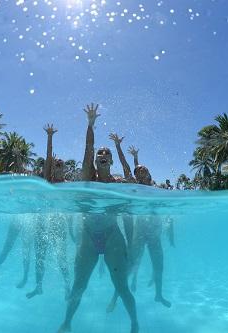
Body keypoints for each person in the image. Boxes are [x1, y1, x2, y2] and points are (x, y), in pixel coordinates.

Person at [57, 104, 139, 333]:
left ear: (111, 161)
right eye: (99, 154)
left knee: (121, 287)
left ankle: (134, 323)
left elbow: (129, 217)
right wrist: (90, 125)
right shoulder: (86, 176)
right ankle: (67, 323)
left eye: (106, 154)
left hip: (113, 236)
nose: (102, 156)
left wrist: (131, 245)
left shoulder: (119, 185)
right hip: (88, 236)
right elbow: (88, 148)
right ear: (95, 160)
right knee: (78, 286)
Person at [107, 164, 173, 312]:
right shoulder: (135, 189)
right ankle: (115, 297)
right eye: (138, 170)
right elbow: (127, 169)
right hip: (141, 231)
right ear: (136, 176)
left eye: (143, 168)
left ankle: (159, 295)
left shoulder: (158, 187)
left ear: (149, 171)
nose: (141, 170)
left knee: (159, 265)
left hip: (155, 233)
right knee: (130, 266)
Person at [26, 124, 71, 299]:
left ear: (65, 168)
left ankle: (68, 287)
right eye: (56, 163)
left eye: (61, 164)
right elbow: (47, 158)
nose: (58, 165)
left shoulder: (68, 185)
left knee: (61, 258)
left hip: (58, 224)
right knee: (40, 257)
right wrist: (50, 137)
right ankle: (38, 286)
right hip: (42, 222)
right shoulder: (47, 181)